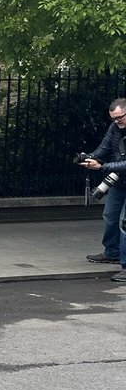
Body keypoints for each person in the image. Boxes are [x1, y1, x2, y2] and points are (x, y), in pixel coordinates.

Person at [77, 97, 126, 282]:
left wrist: (103, 167)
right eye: (113, 118)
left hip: (117, 173)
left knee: (125, 223)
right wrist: (89, 158)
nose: (116, 121)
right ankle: (112, 252)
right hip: (119, 181)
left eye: (120, 117)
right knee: (110, 216)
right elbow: (103, 149)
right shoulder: (115, 128)